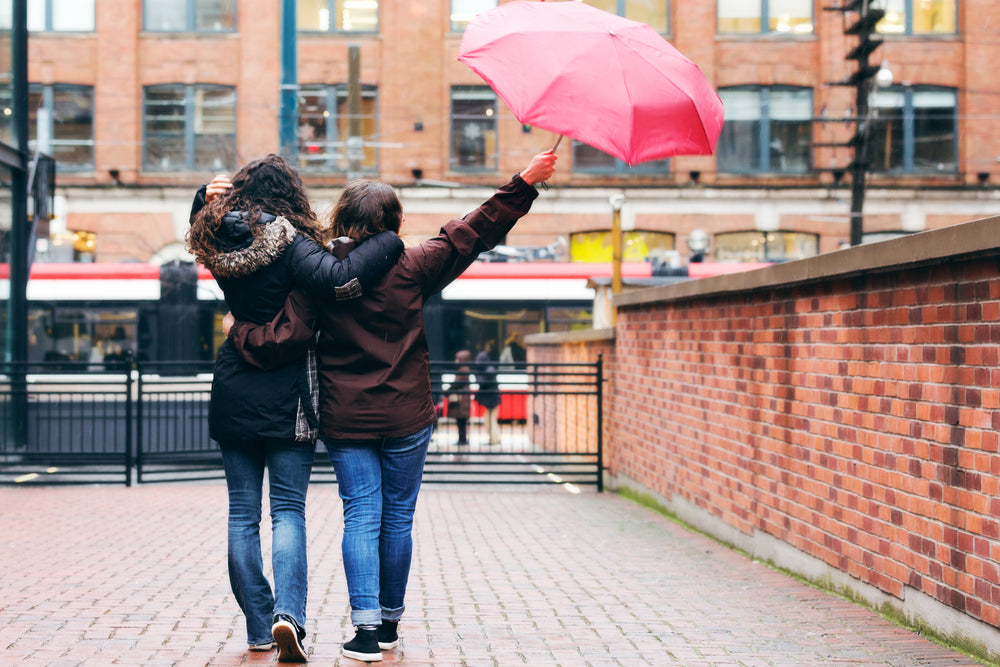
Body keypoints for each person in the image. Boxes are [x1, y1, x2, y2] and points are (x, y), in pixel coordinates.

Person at [226, 150, 557, 662]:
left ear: (340, 221)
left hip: (345, 417)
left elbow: (280, 318)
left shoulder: (321, 273)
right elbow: (473, 232)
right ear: (396, 223)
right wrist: (525, 183)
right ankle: (388, 626)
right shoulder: (415, 266)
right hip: (406, 415)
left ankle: (362, 631)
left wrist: (241, 331)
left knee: (361, 516)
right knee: (397, 518)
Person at [187, 154, 404, 661]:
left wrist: (203, 199)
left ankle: (260, 627)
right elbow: (340, 277)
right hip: (291, 396)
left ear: (240, 193)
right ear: (291, 194)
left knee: (242, 515)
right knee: (288, 512)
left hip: (234, 385)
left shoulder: (218, 241)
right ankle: (290, 615)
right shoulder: (293, 243)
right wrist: (389, 240)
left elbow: (199, 226)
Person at [474, 340, 501, 445]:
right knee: (489, 419)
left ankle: (494, 439)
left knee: (491, 420)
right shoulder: (488, 367)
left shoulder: (488, 370)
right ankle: (493, 439)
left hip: (492, 399)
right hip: (492, 398)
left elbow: (481, 381)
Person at [445, 349, 473, 446]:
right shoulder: (465, 369)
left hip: (462, 400)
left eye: (457, 358)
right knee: (461, 421)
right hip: (464, 398)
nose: (456, 360)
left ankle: (462, 440)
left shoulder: (462, 370)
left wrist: (448, 391)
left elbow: (456, 384)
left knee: (461, 420)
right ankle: (462, 439)